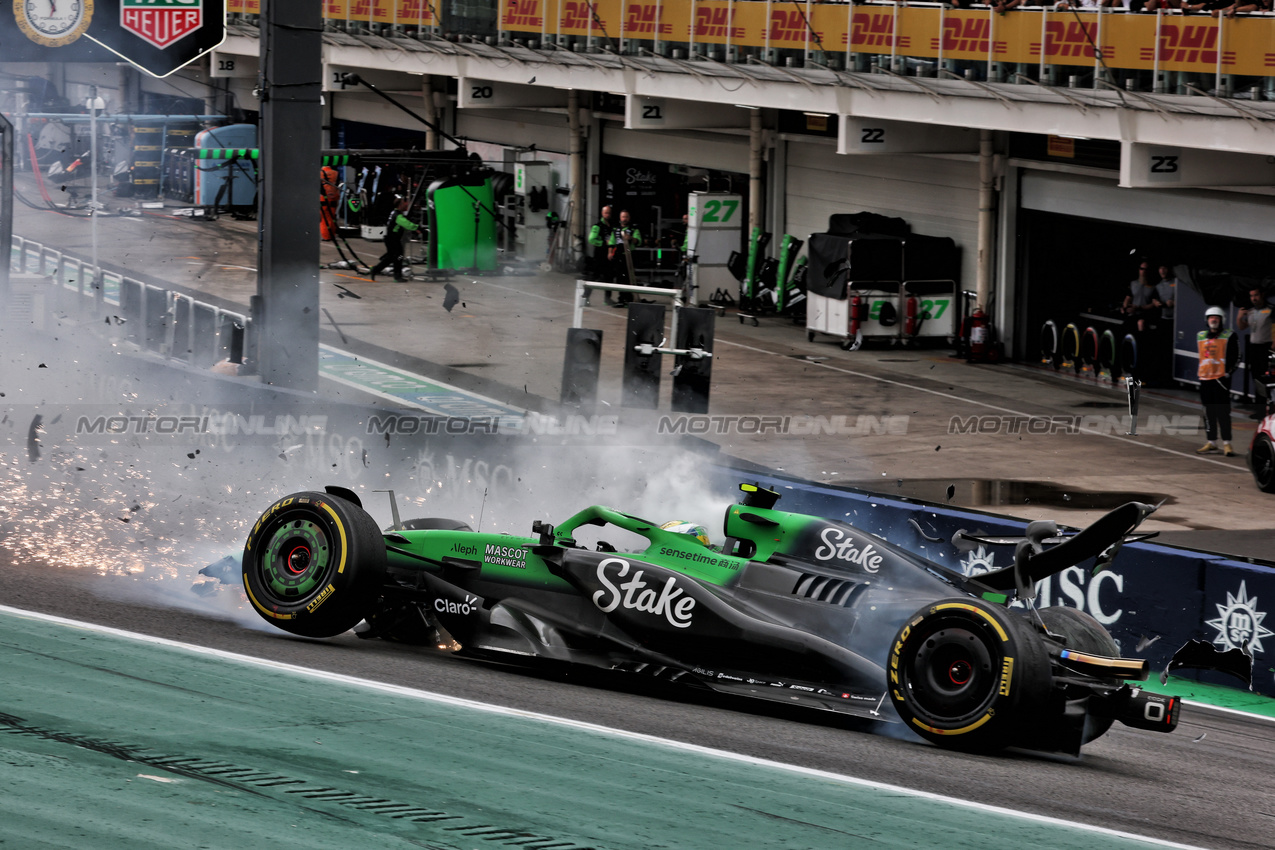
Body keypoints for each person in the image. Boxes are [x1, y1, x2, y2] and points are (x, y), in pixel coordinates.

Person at [1196, 305, 1240, 456]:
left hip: (1220, 379)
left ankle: (1227, 443)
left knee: (1223, 412)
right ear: (1206, 320)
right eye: (1211, 317)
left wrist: (1228, 373)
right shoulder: (1200, 335)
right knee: (1208, 412)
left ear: (1222, 320)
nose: (1213, 320)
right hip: (1204, 379)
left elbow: (1237, 357)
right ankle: (1211, 442)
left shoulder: (1229, 335)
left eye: (1216, 317)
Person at [368, 195, 419, 282]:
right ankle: (396, 276)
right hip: (393, 239)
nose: (406, 204)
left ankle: (377, 269)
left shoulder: (394, 213)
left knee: (393, 257)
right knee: (398, 256)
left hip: (390, 238)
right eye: (404, 203)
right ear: (400, 205)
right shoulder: (398, 216)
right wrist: (418, 227)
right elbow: (407, 224)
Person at [1238, 287, 1273, 411]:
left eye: (1256, 295)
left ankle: (1268, 407)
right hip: (1254, 348)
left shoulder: (1270, 310)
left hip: (1266, 347)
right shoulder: (1251, 311)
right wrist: (1239, 318)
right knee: (1256, 378)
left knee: (1266, 378)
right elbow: (1242, 327)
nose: (1254, 298)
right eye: (1252, 296)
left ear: (1262, 295)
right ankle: (1259, 408)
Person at [610, 210, 643, 306]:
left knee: (629, 278)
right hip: (618, 256)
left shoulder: (634, 229)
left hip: (629, 255)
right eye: (623, 217)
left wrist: (631, 238)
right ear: (620, 218)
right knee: (619, 278)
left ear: (629, 218)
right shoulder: (615, 229)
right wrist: (610, 252)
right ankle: (621, 299)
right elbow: (612, 242)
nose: (624, 219)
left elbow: (639, 241)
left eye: (626, 217)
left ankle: (629, 299)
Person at [584, 205, 614, 305]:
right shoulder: (597, 226)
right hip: (599, 255)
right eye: (606, 213)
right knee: (593, 276)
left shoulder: (611, 225)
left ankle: (607, 299)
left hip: (609, 255)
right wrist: (603, 243)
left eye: (609, 213)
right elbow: (591, 239)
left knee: (609, 277)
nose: (608, 215)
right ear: (602, 213)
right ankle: (585, 297)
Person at [1121, 261, 1160, 333]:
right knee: (1125, 326)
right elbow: (1127, 298)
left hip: (1146, 314)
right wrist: (1125, 307)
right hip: (1134, 313)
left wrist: (1140, 307)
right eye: (1142, 269)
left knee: (1141, 323)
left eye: (1146, 269)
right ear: (1139, 270)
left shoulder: (1153, 287)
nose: (1144, 271)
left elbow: (1154, 304)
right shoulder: (1133, 283)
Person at [319, 166, 340, 242]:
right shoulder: (336, 173)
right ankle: (332, 235)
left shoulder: (320, 173)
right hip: (334, 197)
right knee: (332, 217)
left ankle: (326, 236)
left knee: (324, 218)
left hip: (323, 197)